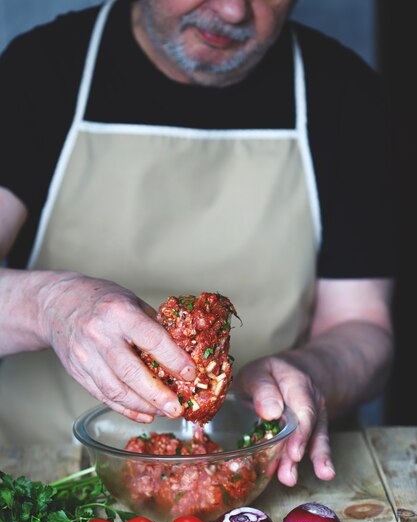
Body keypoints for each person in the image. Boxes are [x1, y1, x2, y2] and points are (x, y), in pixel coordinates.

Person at [0, 0, 395, 488]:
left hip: (257, 469)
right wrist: (47, 305)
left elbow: (362, 325)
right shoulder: (39, 71)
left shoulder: (343, 93)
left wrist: (311, 368)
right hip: (40, 472)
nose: (232, 12)